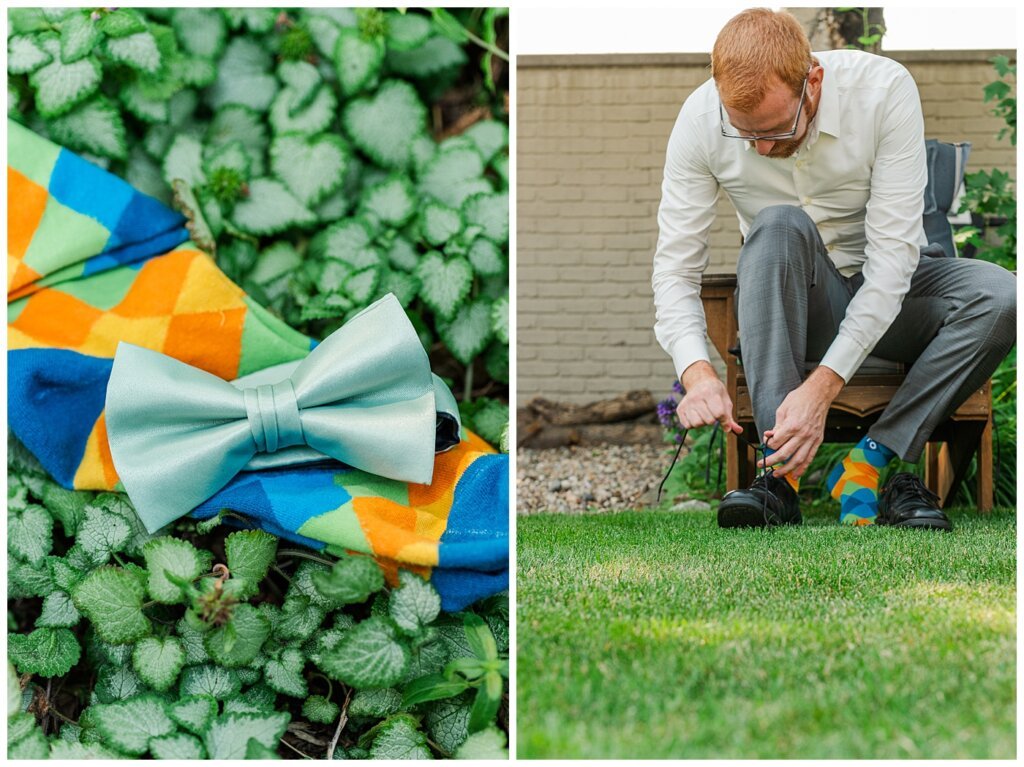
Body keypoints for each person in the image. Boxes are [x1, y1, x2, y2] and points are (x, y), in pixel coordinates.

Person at [651, 8, 1016, 529]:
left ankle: (868, 462)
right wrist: (697, 371)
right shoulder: (699, 121)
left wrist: (822, 387)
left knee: (1003, 297)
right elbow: (673, 267)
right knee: (775, 225)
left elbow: (893, 264)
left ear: (813, 82)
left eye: (777, 129)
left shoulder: (884, 90)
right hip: (802, 302)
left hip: (896, 297)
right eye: (745, 135)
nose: (763, 149)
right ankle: (781, 478)